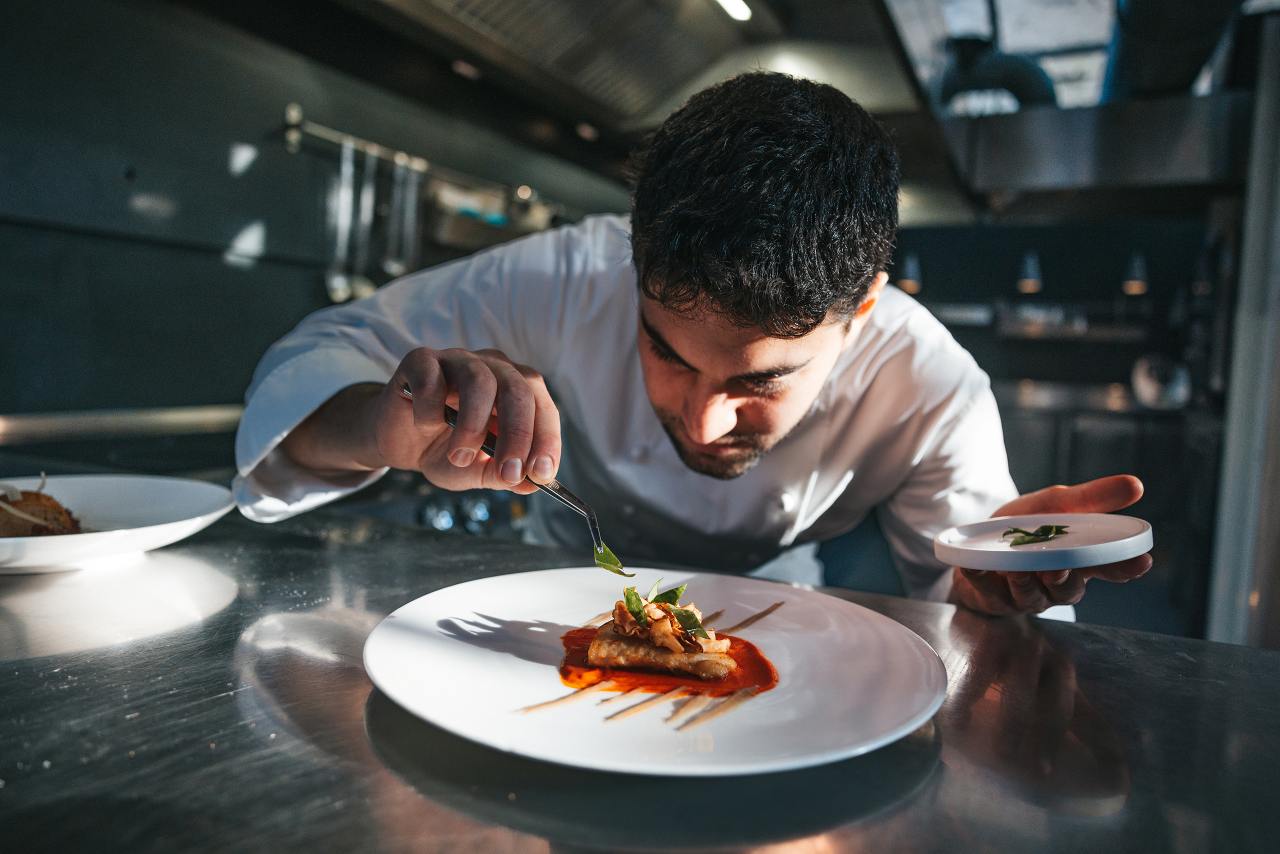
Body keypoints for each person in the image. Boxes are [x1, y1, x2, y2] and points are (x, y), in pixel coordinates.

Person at [234, 72, 1150, 616]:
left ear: (864, 308)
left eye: (765, 379)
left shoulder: (934, 385)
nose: (707, 419)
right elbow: (312, 361)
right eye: (667, 354)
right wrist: (383, 423)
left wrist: (992, 599)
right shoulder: (566, 278)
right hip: (551, 592)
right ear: (631, 270)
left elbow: (966, 595)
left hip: (791, 614)